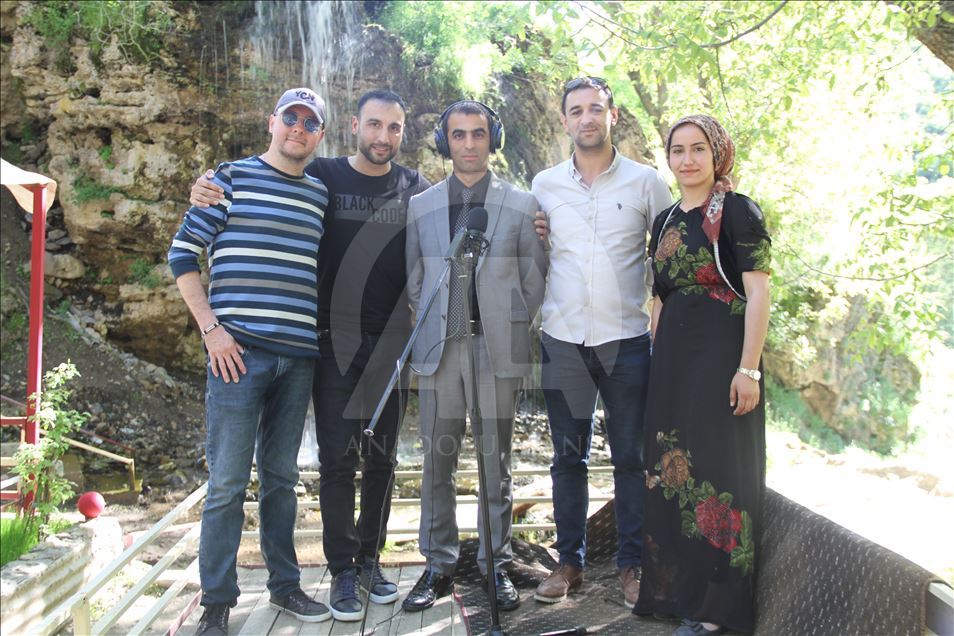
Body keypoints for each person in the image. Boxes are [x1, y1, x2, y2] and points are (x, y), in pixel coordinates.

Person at [189, 90, 430, 622]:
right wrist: (206, 185)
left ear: (402, 132)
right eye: (374, 125)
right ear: (353, 126)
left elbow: (456, 220)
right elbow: (264, 176)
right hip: (326, 341)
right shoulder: (321, 175)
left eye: (393, 127)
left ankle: (369, 561)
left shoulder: (416, 187)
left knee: (382, 459)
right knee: (336, 461)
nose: (383, 136)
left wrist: (531, 224)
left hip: (390, 344)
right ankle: (340, 569)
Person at [168, 87, 332, 636]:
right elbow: (182, 254)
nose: (299, 128)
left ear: (321, 135)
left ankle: (285, 586)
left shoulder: (319, 194)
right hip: (236, 356)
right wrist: (211, 331)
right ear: (272, 122)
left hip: (298, 357)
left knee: (283, 479)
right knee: (228, 483)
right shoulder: (229, 179)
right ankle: (217, 602)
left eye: (310, 122)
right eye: (291, 117)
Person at [530, 77, 673, 608]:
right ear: (564, 120)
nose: (586, 118)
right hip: (563, 339)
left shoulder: (646, 183)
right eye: (576, 110)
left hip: (628, 341)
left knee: (631, 459)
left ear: (612, 116)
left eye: (596, 109)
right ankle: (569, 562)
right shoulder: (544, 184)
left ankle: (632, 566)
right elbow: (536, 255)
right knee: (567, 458)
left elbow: (671, 261)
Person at [402, 100, 548, 613]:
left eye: (478, 134)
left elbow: (534, 277)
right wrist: (442, 323)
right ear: (444, 141)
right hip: (440, 349)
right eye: (458, 134)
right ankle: (437, 566)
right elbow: (415, 279)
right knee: (436, 462)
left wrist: (506, 324)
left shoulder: (522, 203)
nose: (468, 144)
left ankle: (495, 564)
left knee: (495, 461)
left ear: (493, 139)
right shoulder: (421, 205)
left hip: (496, 348)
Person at [633, 115, 770, 636]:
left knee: (719, 474)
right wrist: (656, 361)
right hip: (673, 365)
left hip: (723, 363)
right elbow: (661, 296)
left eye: (698, 149)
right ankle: (676, 596)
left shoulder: (737, 211)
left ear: (717, 155)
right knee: (670, 473)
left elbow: (758, 292)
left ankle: (717, 610)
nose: (687, 160)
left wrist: (748, 369)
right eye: (678, 150)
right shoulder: (665, 218)